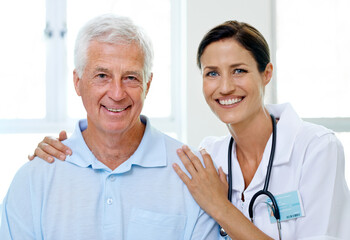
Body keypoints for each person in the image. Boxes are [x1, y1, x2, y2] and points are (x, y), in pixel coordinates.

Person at [28, 20, 350, 239]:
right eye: (211, 73)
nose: (225, 87)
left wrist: (220, 207)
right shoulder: (207, 156)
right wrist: (64, 149)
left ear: (266, 73)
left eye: (238, 70)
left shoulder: (317, 149)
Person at [0, 14, 219, 240]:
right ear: (78, 82)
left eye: (131, 77)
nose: (116, 93)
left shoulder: (192, 176)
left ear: (148, 84)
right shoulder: (36, 177)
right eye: (102, 75)